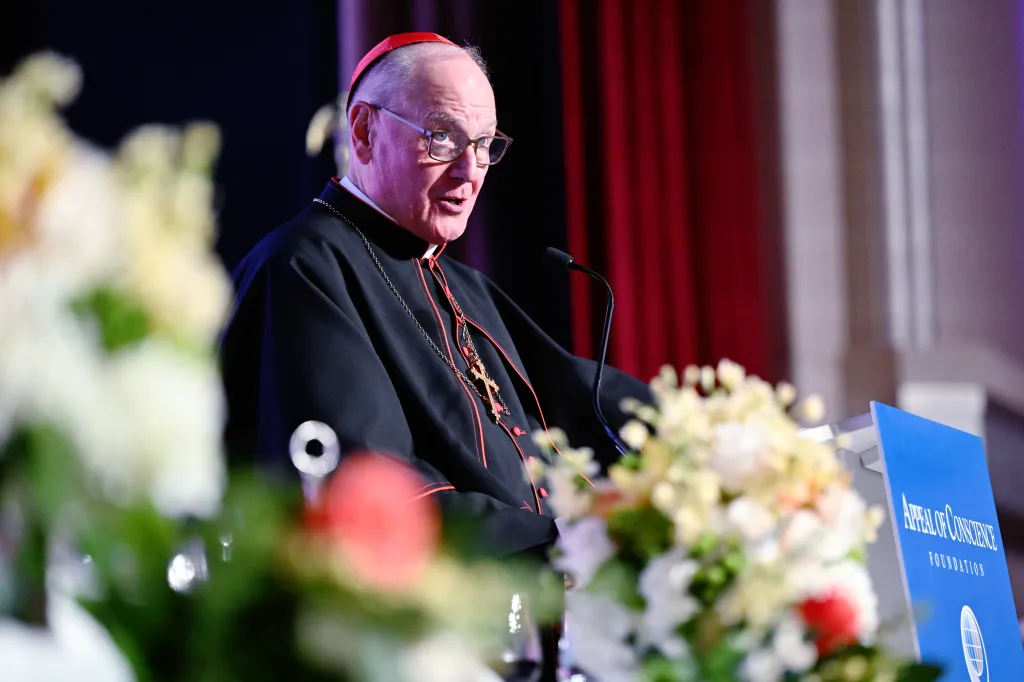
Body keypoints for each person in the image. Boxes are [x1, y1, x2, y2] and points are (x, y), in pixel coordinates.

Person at [219, 32, 651, 560]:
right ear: (363, 132)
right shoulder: (304, 266)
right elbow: (363, 486)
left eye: (485, 144)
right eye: (442, 137)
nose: (470, 171)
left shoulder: (461, 285)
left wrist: (723, 441)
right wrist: (558, 542)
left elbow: (581, 396)